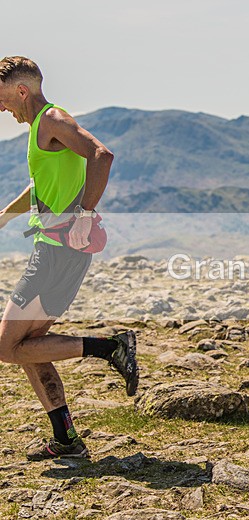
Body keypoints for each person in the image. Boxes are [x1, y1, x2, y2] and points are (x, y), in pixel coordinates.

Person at [0, 56, 138, 461]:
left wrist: (85, 213)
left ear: (22, 91)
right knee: (28, 344)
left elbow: (101, 154)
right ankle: (65, 439)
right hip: (54, 249)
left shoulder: (52, 119)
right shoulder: (39, 129)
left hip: (58, 253)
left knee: (7, 347)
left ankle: (110, 347)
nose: (0, 107)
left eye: (2, 98)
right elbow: (40, 185)